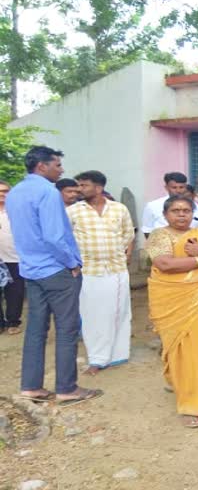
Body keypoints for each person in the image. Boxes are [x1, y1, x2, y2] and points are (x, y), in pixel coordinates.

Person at [6, 146, 102, 405]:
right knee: (67, 329)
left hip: (31, 270)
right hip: (56, 270)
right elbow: (54, 236)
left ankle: (31, 386)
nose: (61, 170)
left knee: (36, 329)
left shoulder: (15, 192)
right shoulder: (47, 192)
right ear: (42, 166)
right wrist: (72, 263)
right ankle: (66, 388)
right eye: (57, 165)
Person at [145, 196, 198, 428]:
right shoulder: (160, 235)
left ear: (193, 213)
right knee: (183, 347)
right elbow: (166, 265)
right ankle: (188, 396)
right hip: (174, 299)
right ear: (165, 214)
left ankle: (194, 394)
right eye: (175, 210)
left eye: (185, 210)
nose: (181, 214)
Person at [67, 171, 134, 376]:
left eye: (84, 185)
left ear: (98, 188)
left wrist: (121, 254)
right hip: (88, 270)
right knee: (92, 314)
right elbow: (65, 238)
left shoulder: (118, 209)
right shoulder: (73, 211)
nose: (80, 189)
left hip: (116, 269)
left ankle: (118, 354)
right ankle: (97, 358)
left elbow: (128, 234)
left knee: (119, 311)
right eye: (79, 185)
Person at [0, 180, 25, 335]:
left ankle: (13, 321)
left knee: (15, 292)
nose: (2, 194)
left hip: (14, 258)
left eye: (5, 191)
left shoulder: (17, 211)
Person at [142, 172, 198, 238]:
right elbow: (147, 230)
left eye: (181, 187)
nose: (178, 191)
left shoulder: (195, 206)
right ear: (166, 188)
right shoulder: (152, 206)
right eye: (174, 187)